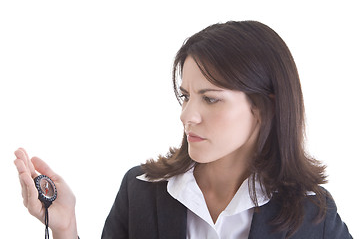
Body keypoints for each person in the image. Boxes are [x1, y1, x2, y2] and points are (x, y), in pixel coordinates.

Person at [14, 20, 352, 239]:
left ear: (262, 108)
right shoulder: (140, 192)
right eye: (185, 96)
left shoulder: (314, 214)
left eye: (210, 99)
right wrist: (65, 227)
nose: (187, 115)